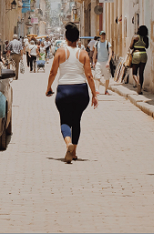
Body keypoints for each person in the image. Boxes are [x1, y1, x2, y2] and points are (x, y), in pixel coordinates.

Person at [46, 23, 98, 163]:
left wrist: (48, 87)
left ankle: (68, 143)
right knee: (76, 121)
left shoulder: (60, 52)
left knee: (64, 120)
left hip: (64, 90)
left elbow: (53, 72)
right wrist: (94, 94)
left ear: (65, 37)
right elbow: (89, 75)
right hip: (81, 90)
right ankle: (74, 151)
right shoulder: (83, 53)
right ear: (78, 39)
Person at [130, 25, 149, 94]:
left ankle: (138, 83)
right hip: (144, 54)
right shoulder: (146, 38)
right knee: (141, 73)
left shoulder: (135, 37)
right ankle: (140, 88)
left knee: (134, 72)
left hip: (136, 54)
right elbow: (147, 46)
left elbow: (131, 47)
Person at [93, 31, 112, 95]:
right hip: (99, 62)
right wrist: (93, 62)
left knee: (107, 77)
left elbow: (110, 53)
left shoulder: (107, 43)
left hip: (105, 62)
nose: (103, 36)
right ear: (100, 36)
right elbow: (95, 53)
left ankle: (106, 90)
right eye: (102, 35)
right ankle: (97, 89)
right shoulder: (97, 43)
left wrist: (108, 62)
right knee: (97, 76)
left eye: (104, 35)